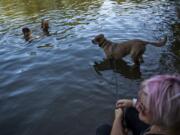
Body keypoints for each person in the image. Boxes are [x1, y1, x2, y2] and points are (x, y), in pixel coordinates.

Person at [96, 74, 180, 135]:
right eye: (140, 102)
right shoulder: (172, 120)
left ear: (161, 115)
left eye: (143, 106)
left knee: (103, 130)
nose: (139, 106)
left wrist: (118, 119)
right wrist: (133, 103)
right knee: (131, 109)